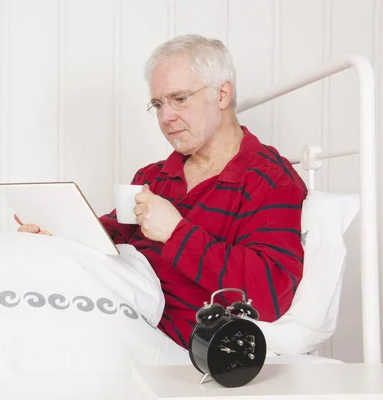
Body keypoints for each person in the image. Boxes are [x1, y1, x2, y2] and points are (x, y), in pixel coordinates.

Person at [16, 34, 307, 349]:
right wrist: (57, 237)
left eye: (180, 98)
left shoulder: (269, 180)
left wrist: (176, 232)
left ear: (222, 94)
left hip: (161, 340)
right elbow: (109, 242)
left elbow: (270, 293)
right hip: (109, 310)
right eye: (158, 104)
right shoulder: (153, 177)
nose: (166, 117)